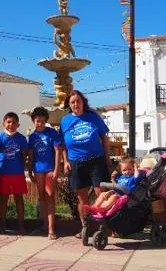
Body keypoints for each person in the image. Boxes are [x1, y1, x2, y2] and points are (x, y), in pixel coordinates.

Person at [59, 90, 111, 238]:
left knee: (102, 193)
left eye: (78, 101)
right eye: (73, 102)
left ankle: (105, 227)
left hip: (96, 160)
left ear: (83, 102)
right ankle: (85, 228)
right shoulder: (65, 121)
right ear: (69, 105)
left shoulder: (93, 116)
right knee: (82, 198)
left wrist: (107, 159)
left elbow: (104, 137)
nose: (76, 104)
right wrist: (66, 161)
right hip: (76, 163)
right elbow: (62, 143)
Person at [28, 107, 61, 240]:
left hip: (49, 170)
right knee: (41, 197)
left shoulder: (52, 133)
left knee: (50, 198)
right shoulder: (32, 137)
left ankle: (52, 230)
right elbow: (30, 156)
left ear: (46, 121)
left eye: (42, 121)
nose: (40, 123)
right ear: (33, 121)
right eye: (37, 121)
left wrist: (56, 169)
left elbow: (57, 151)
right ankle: (44, 225)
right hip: (38, 169)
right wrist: (30, 171)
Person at [0, 112, 29, 235]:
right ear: (3, 123)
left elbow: (24, 156)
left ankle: (21, 226)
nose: (11, 124)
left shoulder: (22, 139)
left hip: (17, 173)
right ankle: (2, 226)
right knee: (3, 199)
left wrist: (20, 166)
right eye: (8, 122)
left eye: (14, 122)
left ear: (18, 124)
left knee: (18, 198)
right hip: (3, 173)